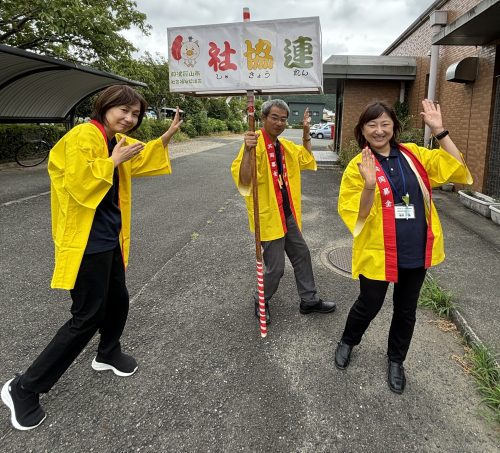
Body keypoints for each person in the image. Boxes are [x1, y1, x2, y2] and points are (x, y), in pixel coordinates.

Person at [1, 85, 182, 430]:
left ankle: (108, 352)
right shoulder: (84, 136)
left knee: (118, 300)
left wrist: (167, 136)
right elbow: (75, 183)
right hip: (86, 242)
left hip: (108, 237)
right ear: (105, 106)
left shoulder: (114, 140)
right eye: (123, 111)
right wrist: (112, 161)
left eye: (135, 114)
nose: (129, 119)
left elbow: (140, 159)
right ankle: (23, 388)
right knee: (86, 317)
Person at [334, 99, 472, 394]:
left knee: (406, 310)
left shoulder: (414, 154)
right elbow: (354, 216)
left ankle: (396, 360)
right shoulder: (357, 166)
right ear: (362, 130)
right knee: (368, 304)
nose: (379, 130)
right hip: (378, 251)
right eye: (372, 124)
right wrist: (369, 185)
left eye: (385, 123)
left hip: (415, 248)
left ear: (395, 127)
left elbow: (456, 169)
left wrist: (440, 132)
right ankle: (348, 340)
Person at [231, 99, 336, 326]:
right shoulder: (254, 143)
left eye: (283, 119)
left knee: (302, 254)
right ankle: (261, 300)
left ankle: (309, 300)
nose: (279, 123)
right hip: (269, 216)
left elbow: (306, 159)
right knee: (275, 268)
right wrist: (248, 151)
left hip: (286, 213)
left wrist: (307, 134)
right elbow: (244, 180)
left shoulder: (284, 146)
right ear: (263, 118)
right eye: (274, 117)